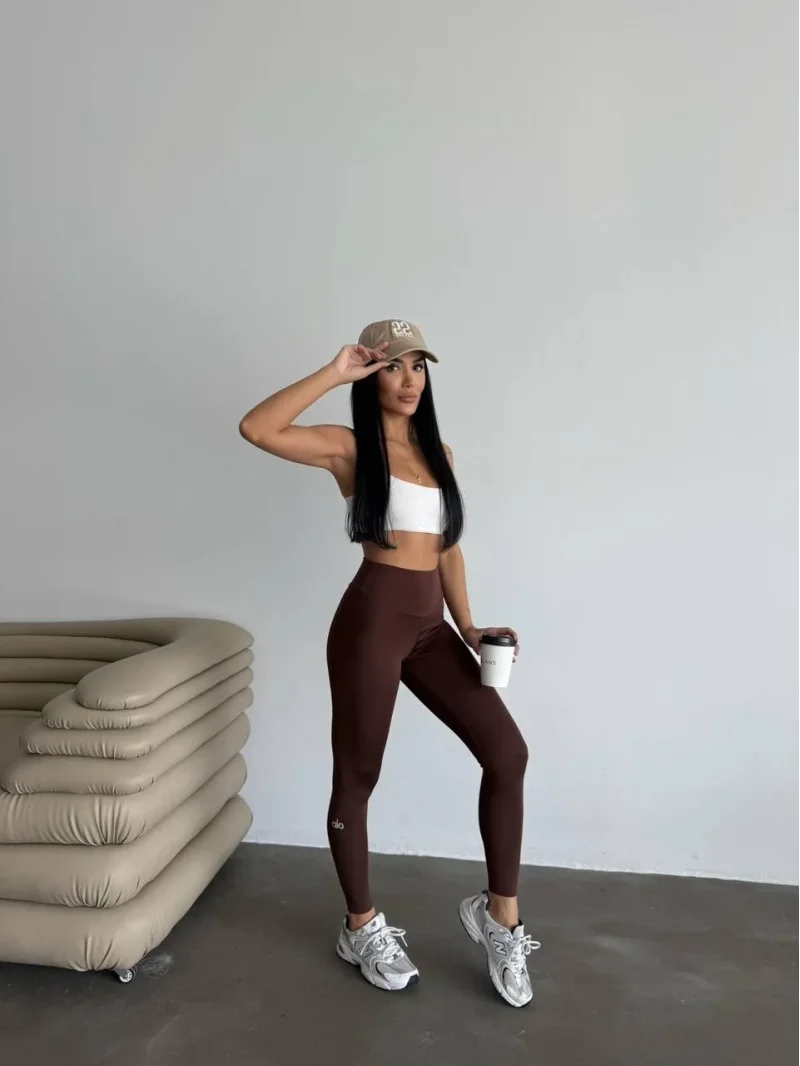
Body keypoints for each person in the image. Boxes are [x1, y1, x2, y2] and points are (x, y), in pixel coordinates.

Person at [239, 320, 539, 1008]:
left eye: (418, 367)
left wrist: (469, 627)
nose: (408, 380)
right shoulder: (349, 448)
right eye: (392, 367)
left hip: (432, 629)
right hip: (371, 624)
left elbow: (447, 548)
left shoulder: (441, 453)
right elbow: (257, 428)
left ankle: (500, 917)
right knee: (358, 775)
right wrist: (334, 371)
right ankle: (360, 927)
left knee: (508, 753)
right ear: (370, 375)